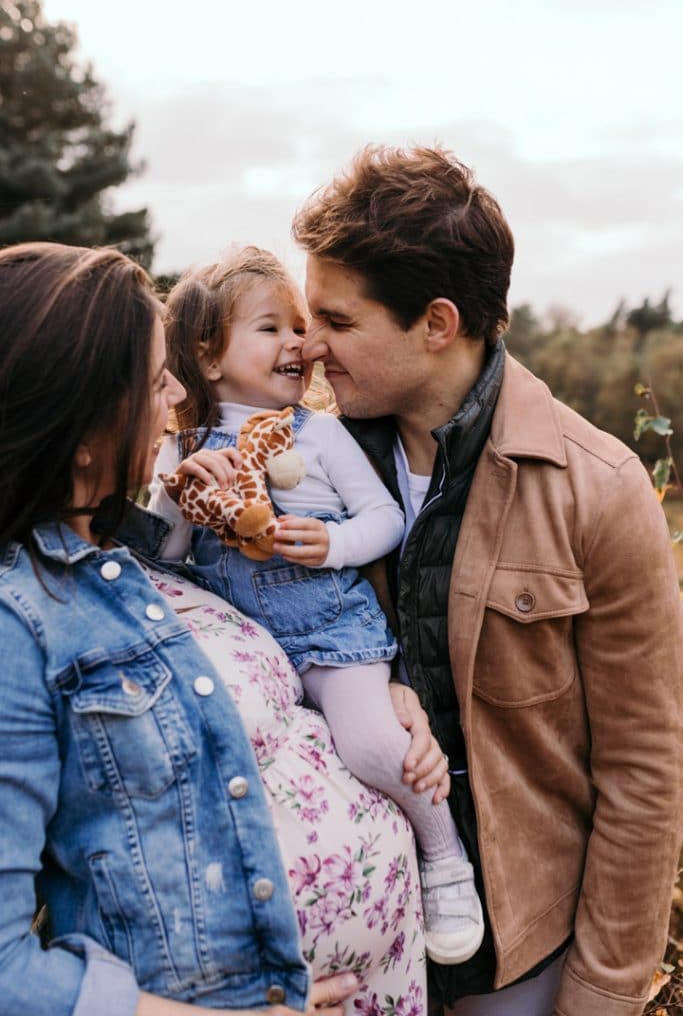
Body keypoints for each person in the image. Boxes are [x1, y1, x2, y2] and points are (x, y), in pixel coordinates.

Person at [0, 241, 447, 1016]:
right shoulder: (18, 624)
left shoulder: (139, 553)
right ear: (78, 428)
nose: (175, 391)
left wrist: (386, 690)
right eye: (151, 379)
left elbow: (297, 632)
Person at [292, 145, 683, 1016]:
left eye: (338, 321)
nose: (308, 346)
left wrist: (600, 996)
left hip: (517, 968)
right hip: (346, 953)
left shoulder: (600, 486)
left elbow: (644, 772)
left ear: (437, 323)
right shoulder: (299, 466)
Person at [147, 246, 484, 966]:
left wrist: (329, 544)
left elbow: (384, 520)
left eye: (300, 327)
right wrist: (174, 489)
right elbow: (164, 562)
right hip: (242, 643)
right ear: (207, 357)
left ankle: (443, 856)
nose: (298, 344)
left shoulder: (319, 434)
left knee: (373, 746)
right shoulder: (180, 447)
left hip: (331, 634)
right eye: (271, 328)